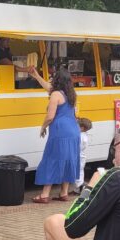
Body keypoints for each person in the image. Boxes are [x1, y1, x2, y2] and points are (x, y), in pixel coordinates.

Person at [29, 66, 81, 203]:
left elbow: (50, 116)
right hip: (74, 131)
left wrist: (43, 127)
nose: (51, 80)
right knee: (68, 159)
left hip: (60, 131)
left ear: (57, 80)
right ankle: (64, 193)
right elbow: (48, 87)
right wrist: (36, 76)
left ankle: (44, 195)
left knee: (51, 158)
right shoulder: (72, 94)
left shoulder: (55, 95)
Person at [72, 117, 92, 194]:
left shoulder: (80, 136)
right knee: (80, 172)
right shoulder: (85, 135)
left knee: (77, 172)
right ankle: (77, 189)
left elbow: (77, 147)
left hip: (78, 156)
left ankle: (80, 187)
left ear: (82, 128)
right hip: (81, 156)